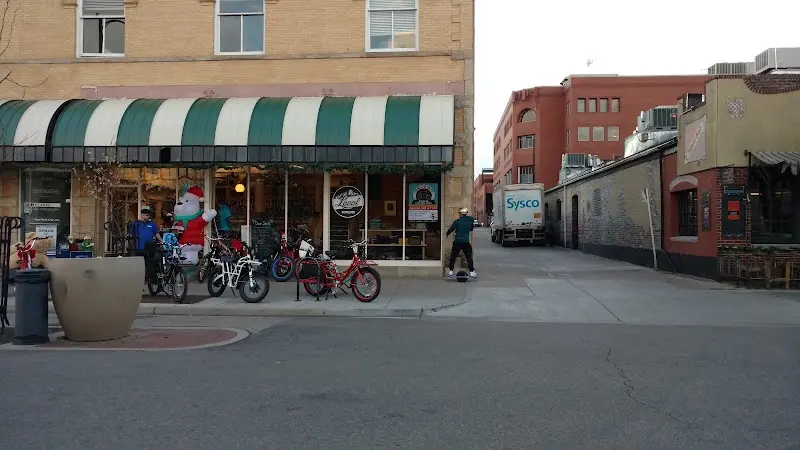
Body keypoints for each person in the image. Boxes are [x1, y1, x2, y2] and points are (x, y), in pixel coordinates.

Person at [130, 208, 161, 285]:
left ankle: (151, 279)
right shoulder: (136, 224)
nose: (148, 216)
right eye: (147, 215)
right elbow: (131, 234)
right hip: (139, 247)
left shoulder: (152, 224)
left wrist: (161, 240)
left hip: (150, 247)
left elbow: (156, 233)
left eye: (149, 215)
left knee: (150, 263)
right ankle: (141, 280)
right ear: (142, 215)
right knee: (141, 265)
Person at [445, 207, 476, 278]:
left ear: (461, 214)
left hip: (457, 241)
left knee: (453, 256)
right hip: (466, 242)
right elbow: (471, 229)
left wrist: (447, 233)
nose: (459, 214)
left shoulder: (457, 221)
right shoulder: (470, 221)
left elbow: (451, 229)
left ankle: (451, 271)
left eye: (459, 213)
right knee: (469, 257)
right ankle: (471, 272)